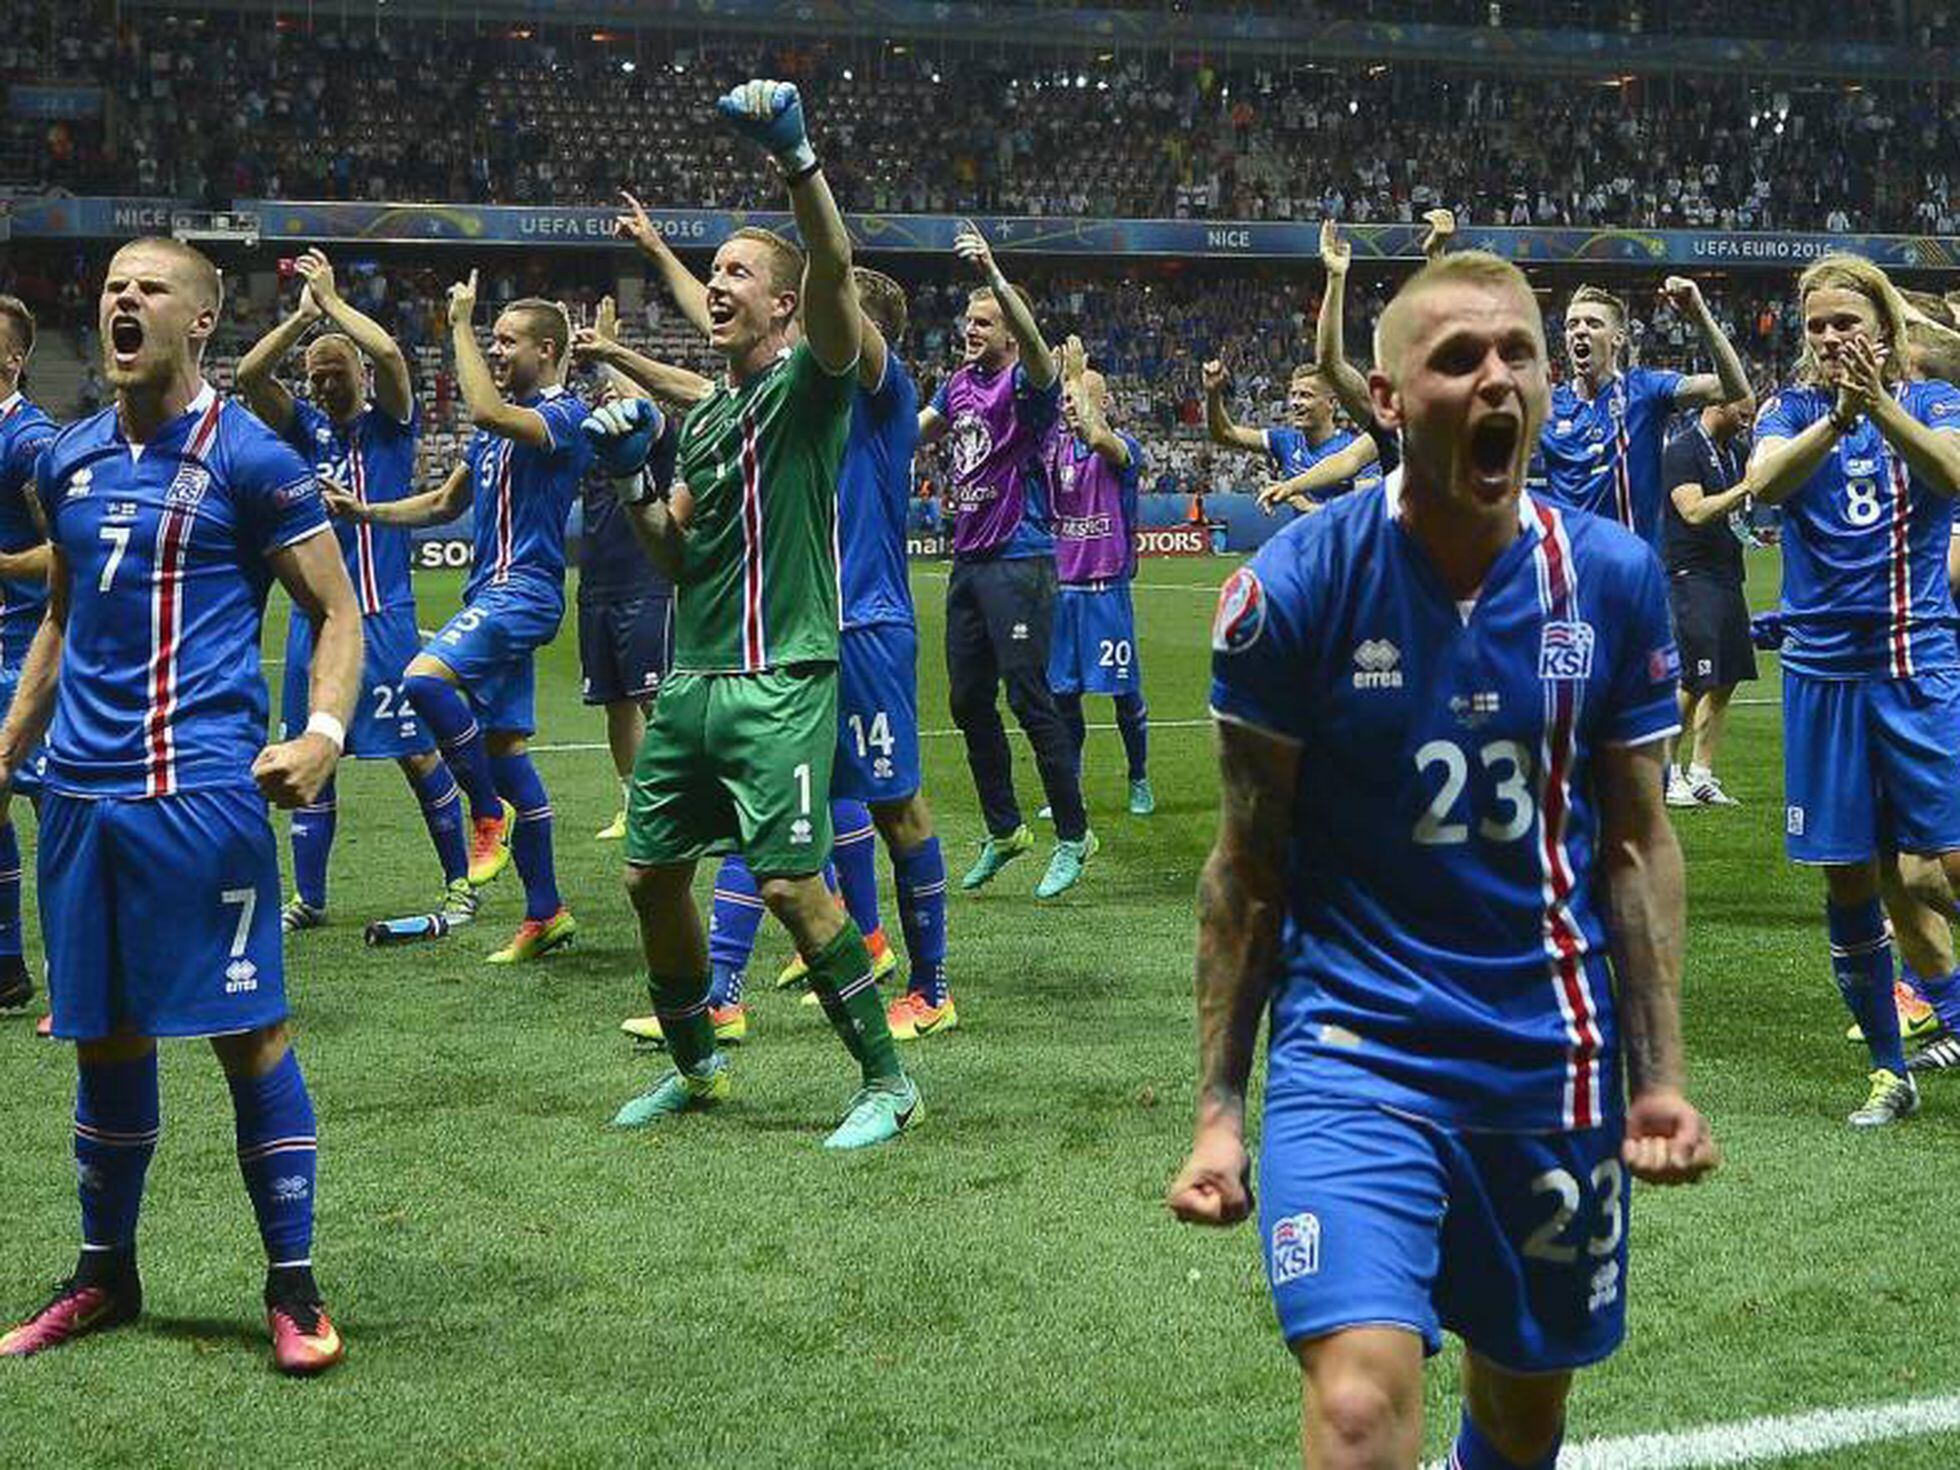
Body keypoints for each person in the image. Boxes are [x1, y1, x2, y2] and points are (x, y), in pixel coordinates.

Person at [1169, 250, 1718, 1470]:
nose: (1497, 381)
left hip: (1548, 1061)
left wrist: (1660, 1075)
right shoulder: (1292, 589)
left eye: (1516, 354)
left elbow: (1633, 846)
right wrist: (1218, 1109)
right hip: (1354, 1052)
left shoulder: (1613, 583)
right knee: (1360, 1410)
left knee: (1522, 1426)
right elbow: (1245, 870)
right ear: (1385, 398)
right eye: (1457, 359)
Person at [0, 237, 362, 1373]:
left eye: (149, 288)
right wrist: (9, 742)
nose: (123, 301)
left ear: (201, 319)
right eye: (112, 288)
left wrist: (321, 734)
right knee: (102, 1038)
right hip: (79, 798)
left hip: (200, 798)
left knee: (247, 1035)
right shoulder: (65, 459)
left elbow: (337, 613)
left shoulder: (252, 459)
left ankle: (294, 1289)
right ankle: (105, 1272)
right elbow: (59, 619)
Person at [595, 79, 921, 1147]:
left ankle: (886, 1081)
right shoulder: (705, 419)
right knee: (649, 875)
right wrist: (635, 481)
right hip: (693, 679)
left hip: (783, 674)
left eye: (737, 270)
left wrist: (796, 157)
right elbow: (674, 557)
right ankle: (696, 1066)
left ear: (783, 304)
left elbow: (833, 269)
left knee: (789, 883)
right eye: (716, 269)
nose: (718, 284)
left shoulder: (811, 383)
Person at [1746, 253, 1960, 1125]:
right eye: (1819, 327)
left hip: (1917, 663)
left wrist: (1876, 408)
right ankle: (1889, 1070)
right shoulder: (1790, 411)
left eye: (1848, 323)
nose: (1833, 338)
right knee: (1849, 877)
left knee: (1944, 861)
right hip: (1822, 677)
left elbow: (1951, 470)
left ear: (1884, 328)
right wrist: (1838, 421)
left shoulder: (1935, 400)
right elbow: (1763, 484)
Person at [332, 275, 591, 963]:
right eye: (493, 341)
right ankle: (547, 911)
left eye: (508, 342)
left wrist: (461, 327)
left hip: (525, 591)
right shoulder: (496, 432)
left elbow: (484, 408)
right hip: (487, 596)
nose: (498, 352)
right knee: (507, 751)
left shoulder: (565, 415)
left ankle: (484, 814)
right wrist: (366, 513)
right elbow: (445, 504)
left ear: (548, 347)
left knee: (423, 680)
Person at [232, 248, 475, 932]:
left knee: (415, 749)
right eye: (314, 378)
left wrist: (336, 307)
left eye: (333, 374)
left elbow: (395, 357)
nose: (322, 388)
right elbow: (252, 374)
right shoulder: (302, 432)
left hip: (384, 617)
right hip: (312, 623)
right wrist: (302, 320)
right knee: (311, 755)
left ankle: (460, 882)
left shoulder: (389, 425)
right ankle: (309, 899)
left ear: (359, 376)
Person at [919, 223, 1095, 899]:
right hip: (968, 561)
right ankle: (1005, 828)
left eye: (984, 321)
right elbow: (914, 432)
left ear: (1011, 334)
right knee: (967, 701)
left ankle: (1074, 835)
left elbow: (1043, 356)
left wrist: (996, 272)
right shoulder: (958, 384)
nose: (971, 329)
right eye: (968, 320)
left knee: (1030, 697)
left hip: (1020, 560)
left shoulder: (1029, 385)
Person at [569, 295, 678, 843]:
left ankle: (680, 794)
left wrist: (611, 353)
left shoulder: (655, 434)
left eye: (617, 392)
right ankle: (633, 804)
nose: (608, 398)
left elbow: (641, 406)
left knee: (655, 699)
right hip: (597, 586)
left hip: (646, 580)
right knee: (612, 702)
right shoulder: (593, 442)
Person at [1539, 280, 1751, 544]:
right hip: (1569, 575)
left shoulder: (1644, 390)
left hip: (1631, 572)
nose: (1580, 331)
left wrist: (1699, 314)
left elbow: (1733, 389)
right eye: (1573, 324)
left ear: (1618, 338)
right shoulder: (1547, 405)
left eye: (1593, 324)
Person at [1045, 335, 1153, 817]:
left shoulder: (1122, 448)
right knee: (1063, 698)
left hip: (1106, 589)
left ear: (1103, 401)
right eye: (1068, 401)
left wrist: (1071, 377)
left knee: (1124, 695)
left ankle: (1139, 778)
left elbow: (1097, 437)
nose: (1071, 407)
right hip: (1061, 590)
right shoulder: (1054, 449)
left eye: (1081, 399)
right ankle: (1070, 788)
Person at [0, 294, 57, 1018]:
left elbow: (66, 552)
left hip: (27, 654)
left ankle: (79, 978)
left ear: (14, 358)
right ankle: (8, 966)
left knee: (60, 818)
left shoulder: (31, 442)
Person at [1659, 396, 1758, 809]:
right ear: (1717, 405)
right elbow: (1694, 512)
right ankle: (1667, 774)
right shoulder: (1682, 450)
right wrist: (1747, 487)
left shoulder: (1733, 450)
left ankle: (1702, 773)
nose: (1748, 422)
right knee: (1692, 679)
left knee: (1725, 677)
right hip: (1691, 576)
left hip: (1726, 574)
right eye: (1743, 413)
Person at [1205, 357, 1379, 517]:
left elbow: (1364, 515)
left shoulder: (1358, 451)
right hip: (1306, 547)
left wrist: (1310, 508)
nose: (1295, 403)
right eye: (1293, 394)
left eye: (1306, 395)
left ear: (1332, 403)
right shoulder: (1285, 441)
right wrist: (1213, 394)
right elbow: (1225, 434)